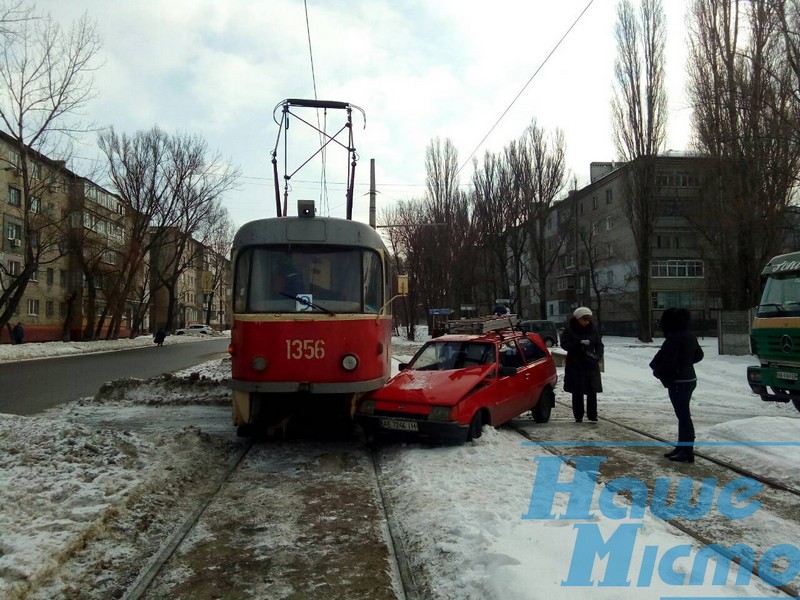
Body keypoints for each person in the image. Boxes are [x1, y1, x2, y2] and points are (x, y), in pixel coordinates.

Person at [649, 307, 704, 463]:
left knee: (683, 416)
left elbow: (668, 362)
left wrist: (659, 371)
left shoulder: (674, 338)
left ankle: (687, 450)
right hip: (689, 379)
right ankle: (683, 447)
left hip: (678, 381)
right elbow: (699, 355)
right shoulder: (690, 336)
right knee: (683, 415)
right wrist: (686, 363)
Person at [560, 307, 603, 423]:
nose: (586, 322)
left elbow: (599, 344)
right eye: (584, 320)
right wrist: (577, 344)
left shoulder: (593, 329)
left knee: (592, 390)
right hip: (575, 363)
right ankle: (578, 415)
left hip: (590, 363)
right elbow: (564, 344)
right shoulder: (570, 330)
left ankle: (592, 415)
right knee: (577, 390)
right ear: (578, 319)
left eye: (588, 320)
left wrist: (597, 356)